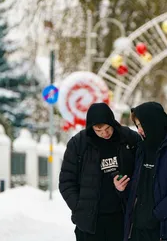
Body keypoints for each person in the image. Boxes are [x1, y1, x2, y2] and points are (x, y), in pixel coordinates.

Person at [59, 103, 141, 241]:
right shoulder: (78, 144)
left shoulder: (129, 138)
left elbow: (142, 170)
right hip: (90, 223)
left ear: (112, 122)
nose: (104, 133)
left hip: (121, 219)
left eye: (107, 128)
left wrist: (128, 187)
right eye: (98, 130)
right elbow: (66, 182)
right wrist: (79, 208)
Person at [116, 102, 167, 241]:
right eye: (137, 126)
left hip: (165, 229)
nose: (139, 130)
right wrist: (121, 187)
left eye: (141, 125)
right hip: (137, 228)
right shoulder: (142, 147)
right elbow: (139, 186)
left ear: (153, 122)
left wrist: (156, 215)